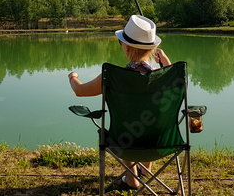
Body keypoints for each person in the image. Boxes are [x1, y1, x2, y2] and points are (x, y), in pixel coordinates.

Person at [68, 15, 171, 191]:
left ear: (127, 49)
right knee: (149, 118)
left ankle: (132, 179)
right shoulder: (162, 77)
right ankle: (146, 169)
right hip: (159, 142)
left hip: (123, 142)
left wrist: (73, 77)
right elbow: (171, 73)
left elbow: (80, 91)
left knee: (127, 126)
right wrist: (164, 59)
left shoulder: (113, 77)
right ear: (153, 50)